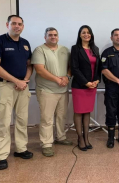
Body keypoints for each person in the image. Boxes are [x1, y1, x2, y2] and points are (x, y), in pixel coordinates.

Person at [0, 15, 33, 170]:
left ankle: (21, 149)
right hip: (5, 87)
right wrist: (16, 81)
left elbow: (29, 65)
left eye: (20, 24)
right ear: (7, 24)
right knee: (3, 122)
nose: (17, 26)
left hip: (22, 86)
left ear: (23, 26)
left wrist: (25, 80)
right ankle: (1, 155)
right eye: (13, 23)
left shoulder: (26, 43)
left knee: (22, 120)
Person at [31, 27, 73, 157]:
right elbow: (39, 70)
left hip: (63, 89)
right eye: (50, 35)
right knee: (47, 119)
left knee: (61, 116)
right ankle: (46, 144)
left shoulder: (65, 50)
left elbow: (70, 67)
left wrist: (67, 77)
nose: (53, 37)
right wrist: (57, 79)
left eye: (55, 35)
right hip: (46, 90)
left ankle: (60, 137)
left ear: (58, 37)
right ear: (45, 37)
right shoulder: (39, 50)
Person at [71, 25, 101, 151]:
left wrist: (97, 80)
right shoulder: (75, 49)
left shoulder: (95, 49)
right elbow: (74, 68)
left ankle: (86, 137)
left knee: (87, 112)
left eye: (88, 33)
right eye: (83, 33)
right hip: (79, 86)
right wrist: (86, 83)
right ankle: (80, 138)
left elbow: (99, 67)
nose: (86, 35)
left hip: (92, 86)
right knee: (79, 112)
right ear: (80, 35)